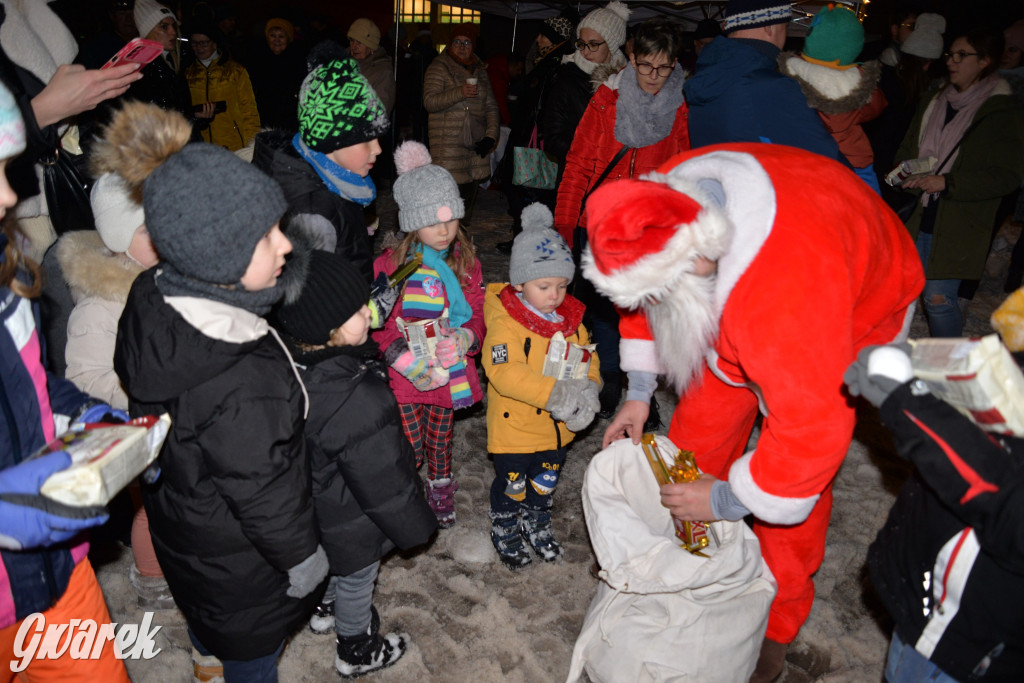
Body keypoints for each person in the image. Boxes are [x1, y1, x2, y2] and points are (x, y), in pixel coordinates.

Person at [583, 143, 924, 682]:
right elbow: (646, 297)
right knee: (694, 441)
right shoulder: (664, 197)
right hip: (755, 299)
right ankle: (688, 562)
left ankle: (774, 625)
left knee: (789, 486)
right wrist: (639, 390)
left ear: (698, 261)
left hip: (856, 300)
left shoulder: (784, 296)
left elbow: (809, 433)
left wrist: (727, 497)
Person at [113, 143, 328, 682]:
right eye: (265, 236)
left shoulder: (154, 296)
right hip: (242, 558)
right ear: (217, 254)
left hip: (185, 526)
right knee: (251, 653)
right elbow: (263, 485)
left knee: (207, 612)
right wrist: (303, 554)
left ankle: (206, 659)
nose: (285, 245)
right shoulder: (241, 378)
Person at [0, 79, 129, 682]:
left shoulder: (9, 281)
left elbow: (32, 384)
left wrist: (93, 419)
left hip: (54, 572)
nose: (9, 193)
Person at [270, 246, 437, 677]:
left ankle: (322, 608)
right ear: (329, 329)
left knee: (329, 557)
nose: (370, 314)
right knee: (358, 578)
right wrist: (416, 525)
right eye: (358, 310)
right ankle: (355, 647)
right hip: (353, 516)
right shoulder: (357, 398)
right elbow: (386, 482)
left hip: (312, 504)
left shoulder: (290, 365)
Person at [57, 102, 190, 615]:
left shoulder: (162, 278)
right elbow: (85, 375)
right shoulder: (102, 301)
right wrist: (141, 401)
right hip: (138, 422)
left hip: (174, 411)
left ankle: (180, 564)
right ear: (119, 238)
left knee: (179, 502)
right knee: (150, 508)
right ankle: (154, 583)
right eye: (149, 230)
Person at [844, 332, 1024, 683]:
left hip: (970, 642)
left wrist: (913, 406)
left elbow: (1010, 507)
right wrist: (932, 365)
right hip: (930, 596)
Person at [555, 18, 690, 421]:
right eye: (646, 65)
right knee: (602, 310)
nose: (653, 76)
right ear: (631, 59)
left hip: (647, 230)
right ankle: (610, 379)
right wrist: (566, 221)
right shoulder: (606, 101)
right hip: (600, 223)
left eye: (663, 68)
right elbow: (578, 163)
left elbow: (681, 174)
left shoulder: (680, 109)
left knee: (640, 312)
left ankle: (640, 392)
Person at [372, 141, 485, 529]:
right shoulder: (391, 267)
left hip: (447, 375)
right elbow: (379, 324)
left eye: (451, 219)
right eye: (433, 222)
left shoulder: (465, 264)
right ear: (412, 222)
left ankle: (440, 487)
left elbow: (477, 314)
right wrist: (404, 360)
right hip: (406, 376)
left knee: (439, 441)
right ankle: (404, 489)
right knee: (410, 444)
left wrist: (467, 339)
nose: (444, 230)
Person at [482, 203, 600, 570]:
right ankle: (504, 525)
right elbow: (504, 371)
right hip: (515, 429)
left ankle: (537, 521)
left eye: (562, 285)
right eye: (544, 286)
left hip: (557, 429)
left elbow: (588, 356)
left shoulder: (570, 320)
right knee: (512, 484)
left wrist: (591, 388)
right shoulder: (506, 323)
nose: (555, 295)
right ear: (519, 283)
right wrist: (555, 394)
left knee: (545, 482)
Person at [896, 27, 1024, 338]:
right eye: (950, 54)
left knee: (938, 300)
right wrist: (905, 171)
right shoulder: (934, 99)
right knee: (898, 296)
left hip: (959, 223)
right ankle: (894, 367)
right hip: (917, 215)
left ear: (984, 61)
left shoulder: (1002, 112)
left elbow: (1007, 176)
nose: (952, 61)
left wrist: (947, 182)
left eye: (961, 55)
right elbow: (907, 147)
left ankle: (951, 371)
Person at [0, 0, 142, 260]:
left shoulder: (41, 11)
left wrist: (88, 97)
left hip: (69, 183)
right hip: (26, 211)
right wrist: (42, 113)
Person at [254, 56, 389, 284]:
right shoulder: (312, 213)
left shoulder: (335, 178)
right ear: (332, 141)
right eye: (366, 140)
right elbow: (313, 304)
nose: (377, 149)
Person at [683, 0, 844, 163]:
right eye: (785, 27)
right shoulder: (773, 88)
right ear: (769, 26)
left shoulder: (707, 77)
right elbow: (828, 162)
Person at [779, 5, 887, 191]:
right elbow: (878, 106)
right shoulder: (860, 85)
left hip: (802, 162)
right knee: (868, 211)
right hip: (855, 165)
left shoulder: (789, 76)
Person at [496, 12, 577, 253]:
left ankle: (527, 242)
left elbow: (540, 104)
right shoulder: (548, 61)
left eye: (543, 35)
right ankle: (525, 240)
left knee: (529, 193)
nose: (538, 39)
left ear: (554, 38)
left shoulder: (554, 64)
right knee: (529, 192)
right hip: (533, 136)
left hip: (534, 139)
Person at [540, 1, 629, 177]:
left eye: (594, 44)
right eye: (581, 43)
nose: (585, 52)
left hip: (617, 176)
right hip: (578, 175)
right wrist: (590, 154)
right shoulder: (567, 78)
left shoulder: (628, 79)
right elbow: (552, 137)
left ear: (611, 46)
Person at [422, 23, 499, 226]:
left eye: (467, 42)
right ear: (450, 43)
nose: (462, 46)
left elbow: (491, 107)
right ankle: (444, 247)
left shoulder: (480, 70)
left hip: (474, 146)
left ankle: (460, 248)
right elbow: (429, 102)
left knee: (466, 205)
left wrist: (491, 136)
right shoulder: (439, 67)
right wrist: (460, 92)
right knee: (447, 204)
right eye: (457, 42)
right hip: (448, 147)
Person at [866, 12, 946, 189]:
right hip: (887, 167)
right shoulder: (914, 92)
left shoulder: (885, 78)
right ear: (928, 63)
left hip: (875, 163)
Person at [185, 22, 260, 151]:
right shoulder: (187, 74)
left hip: (233, 144)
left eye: (204, 43)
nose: (199, 48)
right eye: (194, 43)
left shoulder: (235, 71)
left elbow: (249, 111)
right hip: (201, 146)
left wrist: (251, 145)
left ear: (214, 43)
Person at [248, 17, 306, 132]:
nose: (276, 40)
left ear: (288, 39)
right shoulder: (257, 61)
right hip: (263, 122)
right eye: (272, 35)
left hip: (290, 123)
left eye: (281, 36)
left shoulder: (298, 62)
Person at [348, 18, 395, 116]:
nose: (354, 46)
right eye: (352, 41)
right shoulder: (342, 64)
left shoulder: (382, 71)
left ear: (371, 47)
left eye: (360, 42)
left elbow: (381, 109)